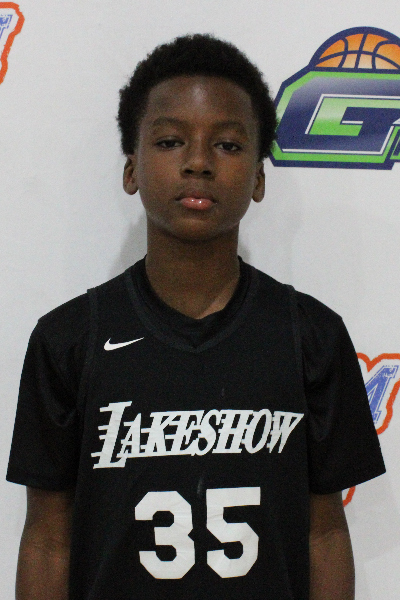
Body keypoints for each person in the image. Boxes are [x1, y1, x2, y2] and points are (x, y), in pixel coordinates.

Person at [7, 34, 385, 600]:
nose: (199, 162)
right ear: (131, 169)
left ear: (259, 178)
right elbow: (46, 540)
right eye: (169, 141)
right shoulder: (68, 340)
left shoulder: (311, 336)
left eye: (228, 145)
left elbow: (325, 532)